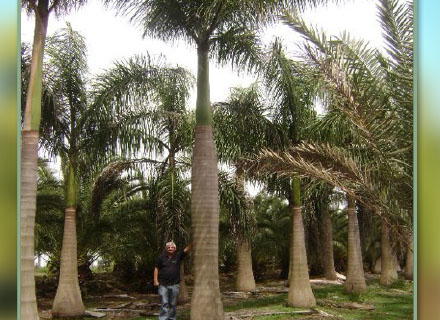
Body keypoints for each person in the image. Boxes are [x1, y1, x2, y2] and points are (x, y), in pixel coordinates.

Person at [154, 241, 191, 320]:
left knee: (173, 304)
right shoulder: (161, 257)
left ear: (175, 248)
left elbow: (186, 249)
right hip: (162, 285)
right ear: (166, 248)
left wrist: (194, 241)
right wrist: (155, 280)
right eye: (169, 247)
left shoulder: (178, 256)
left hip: (175, 285)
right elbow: (156, 268)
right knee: (164, 303)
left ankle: (172, 318)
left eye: (172, 247)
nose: (170, 248)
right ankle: (162, 318)